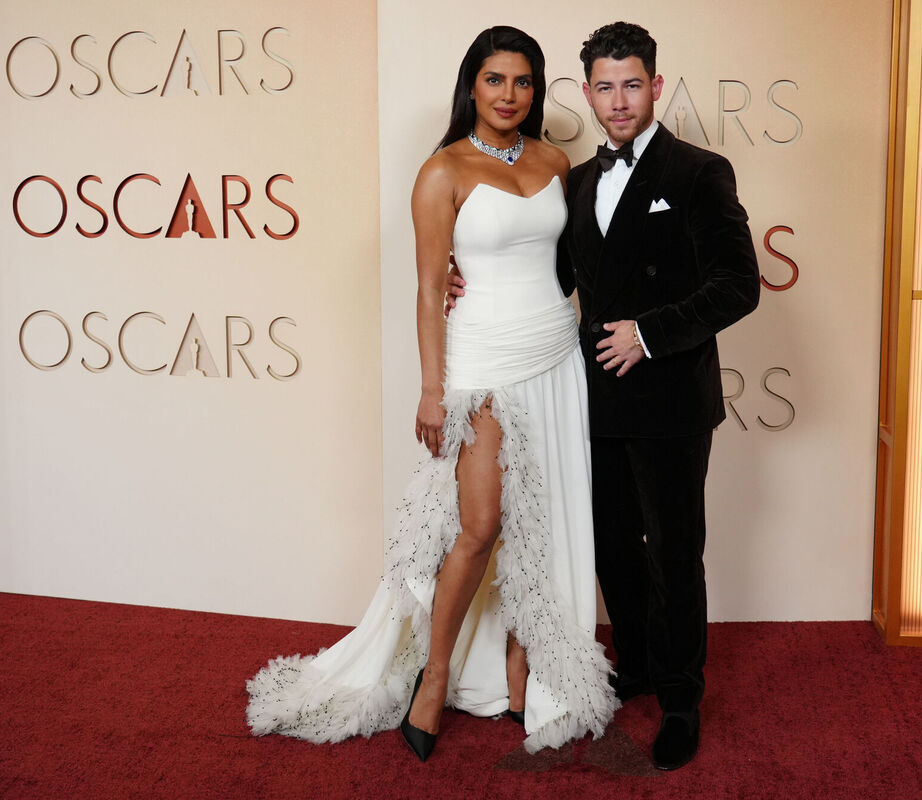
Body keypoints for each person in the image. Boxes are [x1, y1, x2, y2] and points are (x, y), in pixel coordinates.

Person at [246, 25, 617, 762]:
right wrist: (430, 390)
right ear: (470, 86)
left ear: (536, 90)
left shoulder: (556, 160)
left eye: (522, 81)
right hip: (480, 363)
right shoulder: (441, 170)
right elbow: (425, 290)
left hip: (554, 354)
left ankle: (522, 675)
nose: (509, 95)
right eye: (494, 80)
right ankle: (433, 675)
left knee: (539, 521)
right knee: (477, 525)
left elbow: (572, 263)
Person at [453, 22, 761, 770]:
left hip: (671, 401)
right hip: (591, 398)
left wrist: (648, 334)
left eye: (632, 85)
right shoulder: (579, 180)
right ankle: (641, 664)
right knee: (612, 548)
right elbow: (544, 269)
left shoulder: (699, 172)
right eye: (604, 86)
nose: (618, 101)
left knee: (675, 552)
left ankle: (682, 698)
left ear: (655, 87)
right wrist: (473, 279)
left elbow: (738, 286)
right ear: (586, 92)